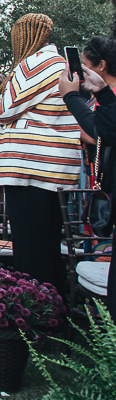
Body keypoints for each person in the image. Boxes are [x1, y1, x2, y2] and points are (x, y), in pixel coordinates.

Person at [0, 12, 80, 290]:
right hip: (54, 169)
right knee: (47, 247)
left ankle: (36, 316)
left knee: (31, 251)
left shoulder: (36, 64)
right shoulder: (60, 65)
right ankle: (53, 311)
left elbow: (3, 111)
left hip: (32, 169)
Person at [57, 35, 116, 319]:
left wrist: (70, 97)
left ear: (101, 65)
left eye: (85, 64)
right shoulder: (105, 96)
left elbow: (101, 129)